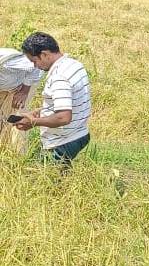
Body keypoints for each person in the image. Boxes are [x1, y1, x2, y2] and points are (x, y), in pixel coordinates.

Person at [14, 32, 92, 166]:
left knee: (41, 176)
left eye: (34, 61)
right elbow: (70, 101)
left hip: (63, 141)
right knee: (61, 175)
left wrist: (33, 122)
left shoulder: (59, 76)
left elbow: (63, 117)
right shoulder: (74, 64)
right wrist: (41, 112)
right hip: (79, 132)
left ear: (45, 54)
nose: (35, 66)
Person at [0, 47, 44, 153]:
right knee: (2, 118)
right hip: (5, 86)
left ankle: (17, 154)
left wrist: (24, 91)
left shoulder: (7, 63)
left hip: (23, 85)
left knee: (16, 119)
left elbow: (37, 66)